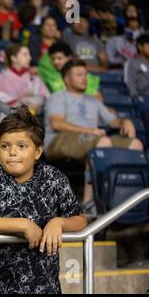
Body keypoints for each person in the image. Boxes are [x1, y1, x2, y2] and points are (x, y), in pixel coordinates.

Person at [0, 105, 88, 294]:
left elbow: (80, 219)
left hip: (46, 288)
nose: (12, 152)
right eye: (5, 146)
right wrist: (22, 225)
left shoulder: (53, 178)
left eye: (21, 146)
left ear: (38, 151)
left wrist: (59, 222)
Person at [44, 59, 143, 205]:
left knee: (135, 144)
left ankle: (129, 201)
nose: (84, 78)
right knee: (102, 142)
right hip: (59, 140)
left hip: (91, 138)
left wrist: (125, 122)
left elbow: (113, 121)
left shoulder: (93, 101)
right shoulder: (58, 96)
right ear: (66, 79)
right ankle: (91, 203)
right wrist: (88, 130)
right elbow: (57, 123)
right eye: (78, 75)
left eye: (85, 75)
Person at [0, 43, 50, 114]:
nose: (30, 58)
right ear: (14, 58)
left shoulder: (34, 77)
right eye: (25, 55)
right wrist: (18, 99)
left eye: (29, 55)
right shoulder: (0, 78)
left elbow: (46, 98)